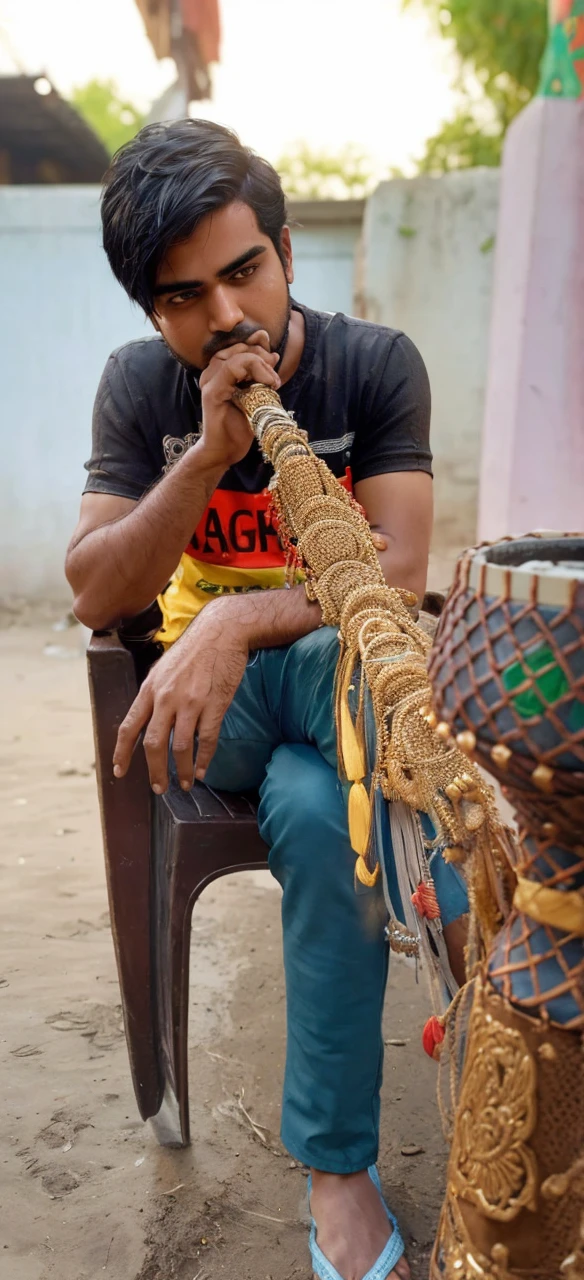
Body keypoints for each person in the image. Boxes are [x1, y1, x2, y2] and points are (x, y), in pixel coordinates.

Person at [66, 119, 468, 1280]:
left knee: (313, 800)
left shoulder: (374, 362)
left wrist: (242, 619)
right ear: (155, 314)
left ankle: (335, 1171)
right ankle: (466, 923)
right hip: (208, 722)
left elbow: (390, 568)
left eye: (243, 270)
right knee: (347, 714)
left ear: (287, 250)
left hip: (323, 720)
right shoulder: (142, 389)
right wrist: (201, 455)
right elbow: (94, 583)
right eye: (185, 295)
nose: (223, 312)